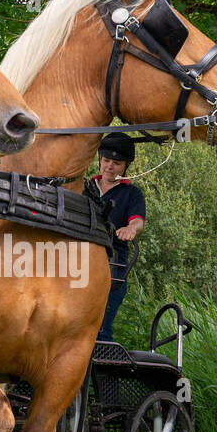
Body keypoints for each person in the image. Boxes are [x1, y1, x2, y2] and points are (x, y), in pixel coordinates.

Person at [86, 131, 146, 342]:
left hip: (112, 269)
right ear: (100, 161)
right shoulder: (85, 187)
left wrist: (131, 228)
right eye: (106, 160)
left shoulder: (132, 194)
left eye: (117, 163)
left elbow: (138, 221)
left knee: (101, 330)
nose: (110, 166)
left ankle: (105, 373)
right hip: (80, 265)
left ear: (125, 166)